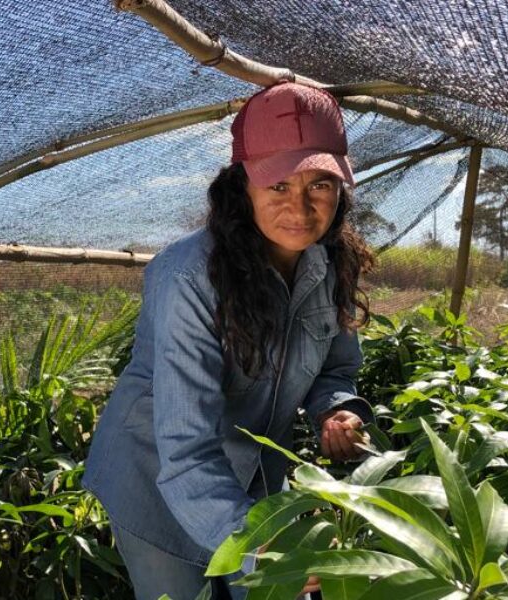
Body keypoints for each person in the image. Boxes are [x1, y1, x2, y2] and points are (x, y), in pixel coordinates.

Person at [82, 82, 375, 600]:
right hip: (157, 479)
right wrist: (259, 545)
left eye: (319, 185)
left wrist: (336, 409)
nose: (301, 208)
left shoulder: (329, 265)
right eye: (278, 186)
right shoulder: (189, 278)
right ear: (243, 187)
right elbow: (186, 448)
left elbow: (335, 368)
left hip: (257, 465)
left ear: (341, 189)